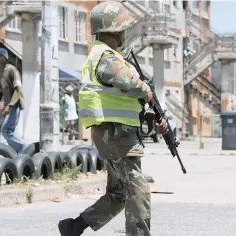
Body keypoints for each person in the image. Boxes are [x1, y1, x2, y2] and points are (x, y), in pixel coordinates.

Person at [57, 2, 168, 236]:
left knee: (119, 193)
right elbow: (130, 83)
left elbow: (121, 98)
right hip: (116, 135)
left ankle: (74, 226)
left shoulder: (105, 56)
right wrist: (146, 91)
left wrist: (154, 117)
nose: (124, 34)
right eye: (122, 29)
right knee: (139, 190)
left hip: (114, 134)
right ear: (114, 30)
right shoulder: (106, 57)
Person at [0, 48, 26, 153]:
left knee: (6, 130)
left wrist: (10, 106)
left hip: (14, 105)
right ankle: (15, 154)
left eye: (1, 55)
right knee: (7, 131)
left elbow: (18, 90)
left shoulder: (12, 70)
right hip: (8, 107)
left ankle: (23, 149)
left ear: (6, 57)